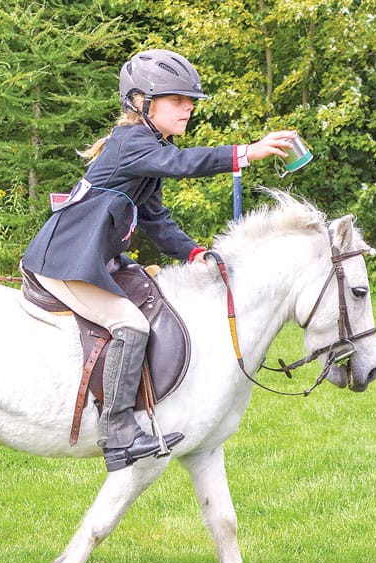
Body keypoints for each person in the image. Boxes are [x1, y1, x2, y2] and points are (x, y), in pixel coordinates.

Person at [21, 49, 298, 473]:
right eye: (176, 100)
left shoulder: (149, 149)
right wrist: (247, 152)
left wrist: (193, 252)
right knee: (131, 325)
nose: (188, 108)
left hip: (88, 258)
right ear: (141, 102)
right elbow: (182, 164)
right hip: (63, 262)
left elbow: (155, 219)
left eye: (190, 101)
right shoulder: (132, 142)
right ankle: (118, 433)